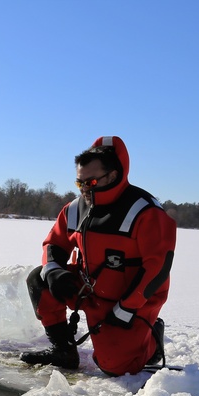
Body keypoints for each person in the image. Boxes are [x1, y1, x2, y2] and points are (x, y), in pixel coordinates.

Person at [21, 136, 176, 376]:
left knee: (114, 367)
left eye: (90, 182)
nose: (84, 189)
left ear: (113, 176)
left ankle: (152, 338)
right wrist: (54, 271)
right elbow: (54, 243)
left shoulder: (146, 212)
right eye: (79, 183)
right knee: (39, 279)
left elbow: (157, 269)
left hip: (129, 298)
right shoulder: (74, 208)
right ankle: (63, 350)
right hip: (88, 287)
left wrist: (126, 308)